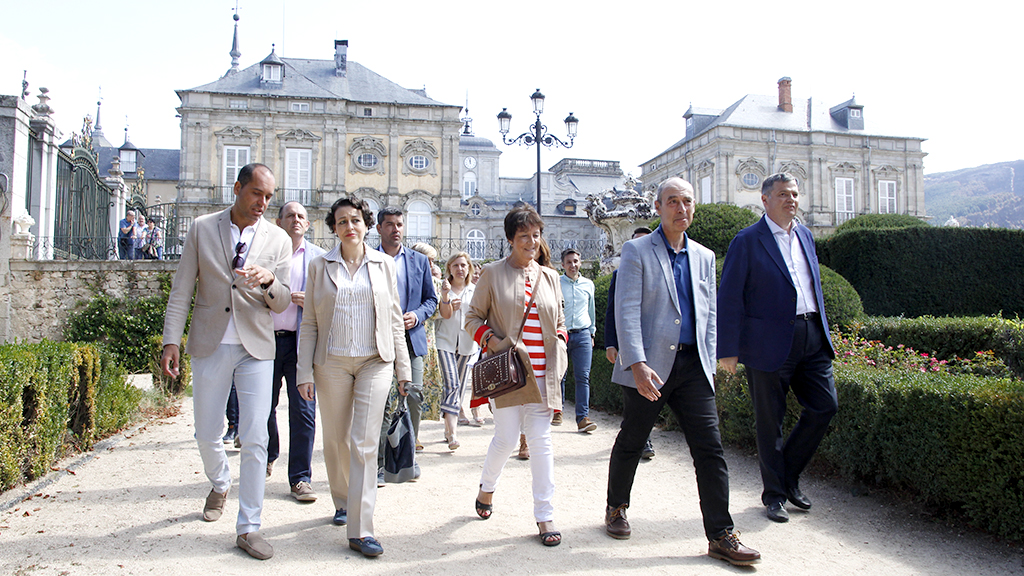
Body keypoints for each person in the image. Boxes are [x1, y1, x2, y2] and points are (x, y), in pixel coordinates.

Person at [604, 177, 760, 566]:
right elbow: (626, 310)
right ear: (658, 207)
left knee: (710, 449)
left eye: (687, 201)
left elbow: (708, 315)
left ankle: (721, 534)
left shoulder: (705, 257)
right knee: (633, 440)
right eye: (672, 201)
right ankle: (616, 507)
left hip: (693, 367)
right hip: (649, 366)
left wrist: (710, 361)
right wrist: (636, 363)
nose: (681, 208)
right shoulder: (636, 250)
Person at [161, 163, 293, 560]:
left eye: (269, 197)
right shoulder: (202, 227)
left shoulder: (279, 239)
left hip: (256, 346)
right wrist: (171, 340)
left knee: (256, 438)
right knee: (206, 432)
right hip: (210, 341)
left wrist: (270, 281)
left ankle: (249, 527)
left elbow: (284, 301)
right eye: (257, 194)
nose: (263, 203)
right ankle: (219, 481)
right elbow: (181, 288)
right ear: (237, 188)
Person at [717, 172, 838, 524]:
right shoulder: (747, 240)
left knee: (824, 406)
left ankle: (787, 476)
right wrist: (728, 348)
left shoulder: (806, 235)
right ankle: (774, 496)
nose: (791, 200)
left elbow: (811, 284)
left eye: (795, 194)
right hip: (767, 343)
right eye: (783, 194)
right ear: (765, 199)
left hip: (811, 335)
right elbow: (730, 297)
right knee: (770, 422)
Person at [296, 197, 411, 558]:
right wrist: (303, 371)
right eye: (342, 221)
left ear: (366, 225)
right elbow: (310, 322)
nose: (350, 226)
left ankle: (360, 529)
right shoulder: (319, 266)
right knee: (336, 438)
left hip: (374, 361)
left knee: (363, 442)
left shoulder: (383, 265)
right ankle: (342, 499)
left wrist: (403, 368)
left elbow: (394, 319)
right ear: (334, 228)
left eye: (356, 220)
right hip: (331, 363)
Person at [465, 206, 568, 547]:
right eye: (524, 236)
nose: (532, 242)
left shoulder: (550, 276)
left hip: (544, 374)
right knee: (507, 439)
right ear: (510, 239)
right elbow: (472, 318)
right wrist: (491, 341)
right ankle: (486, 488)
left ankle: (545, 514)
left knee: (540, 442)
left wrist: (562, 343)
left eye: (536, 235)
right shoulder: (493, 274)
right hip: (509, 373)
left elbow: (560, 321)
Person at [266, 201, 325, 501]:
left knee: (303, 412)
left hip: (302, 344)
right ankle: (269, 452)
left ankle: (300, 478)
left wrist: (311, 301)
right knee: (263, 408)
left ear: (308, 223)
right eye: (290, 215)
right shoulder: (266, 253)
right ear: (279, 222)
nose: (296, 220)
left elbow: (331, 301)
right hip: (265, 342)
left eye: (301, 216)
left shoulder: (318, 258)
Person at [375, 208, 437, 484]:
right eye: (389, 224)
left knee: (413, 397)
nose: (396, 229)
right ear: (379, 228)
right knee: (378, 401)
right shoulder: (369, 259)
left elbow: (431, 300)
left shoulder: (419, 261)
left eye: (400, 224)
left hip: (411, 340)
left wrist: (418, 314)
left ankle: (408, 457)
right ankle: (377, 463)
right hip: (377, 340)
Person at [604, 227, 655, 459]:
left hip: (657, 343)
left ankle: (644, 438)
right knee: (634, 395)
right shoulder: (620, 274)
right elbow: (613, 310)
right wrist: (611, 343)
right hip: (630, 343)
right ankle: (642, 441)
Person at [436, 252, 477, 451]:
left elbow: (480, 316)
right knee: (451, 383)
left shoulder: (475, 291)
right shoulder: (443, 288)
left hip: (468, 344)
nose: (460, 269)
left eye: (464, 265)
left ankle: (447, 427)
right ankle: (453, 434)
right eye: (456, 265)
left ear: (468, 268)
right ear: (449, 268)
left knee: (459, 388)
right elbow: (443, 315)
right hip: (445, 341)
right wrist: (446, 300)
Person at [558, 248, 597, 433]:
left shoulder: (588, 284)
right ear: (563, 265)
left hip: (583, 334)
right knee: (560, 375)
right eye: (569, 262)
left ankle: (583, 418)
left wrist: (592, 333)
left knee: (583, 377)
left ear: (579, 263)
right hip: (562, 334)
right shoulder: (556, 283)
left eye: (575, 261)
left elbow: (592, 310)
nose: (573, 265)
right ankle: (557, 410)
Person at [410, 242, 445, 449]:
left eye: (433, 261)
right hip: (407, 338)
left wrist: (447, 298)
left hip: (427, 341)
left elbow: (442, 313)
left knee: (422, 390)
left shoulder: (435, 283)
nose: (432, 265)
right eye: (429, 260)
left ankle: (414, 434)